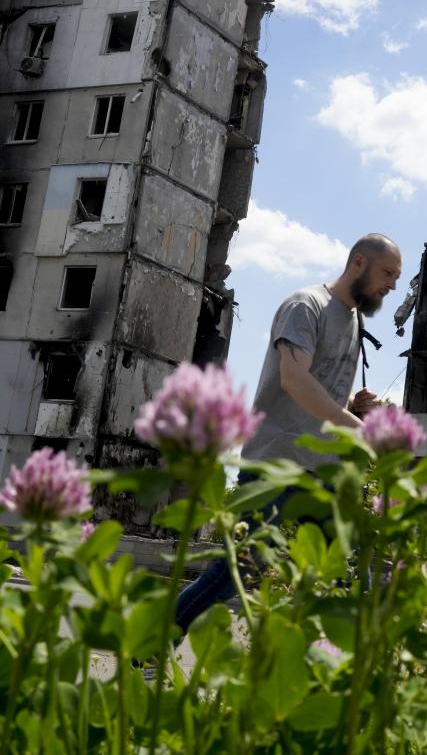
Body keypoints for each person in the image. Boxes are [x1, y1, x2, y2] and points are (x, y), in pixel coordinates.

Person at [172, 233, 402, 633]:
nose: (393, 286)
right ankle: (151, 646)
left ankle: (346, 679)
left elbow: (320, 386)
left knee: (349, 569)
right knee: (239, 570)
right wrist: (359, 429)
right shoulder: (306, 305)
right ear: (359, 262)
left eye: (397, 277)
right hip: (274, 465)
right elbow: (294, 380)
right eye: (388, 273)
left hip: (321, 471)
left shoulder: (352, 319)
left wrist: (353, 403)